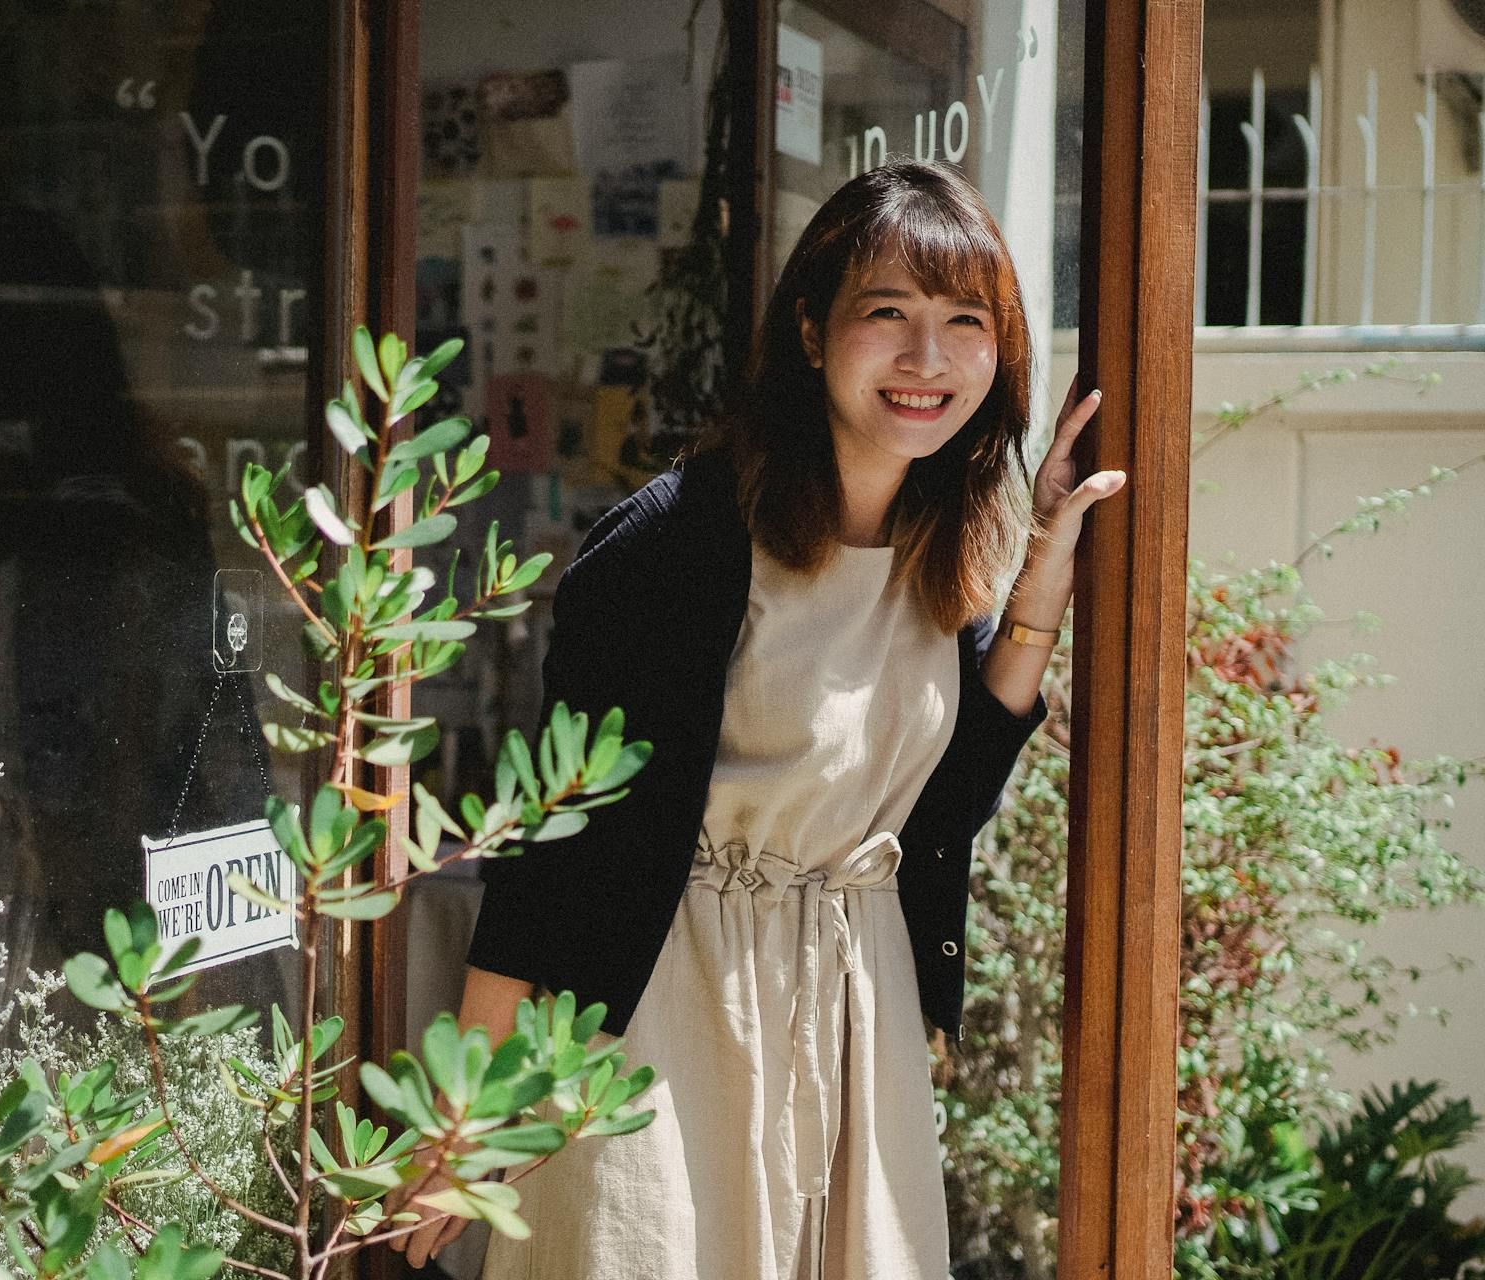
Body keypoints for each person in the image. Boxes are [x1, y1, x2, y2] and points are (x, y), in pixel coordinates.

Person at [398, 159, 1128, 1279]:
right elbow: (552, 850)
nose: (927, 358)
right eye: (888, 313)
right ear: (808, 327)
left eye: (963, 321)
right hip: (659, 1010)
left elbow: (939, 810)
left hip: (851, 1018)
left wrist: (1038, 581)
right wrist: (463, 1118)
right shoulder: (675, 545)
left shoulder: (948, 550)